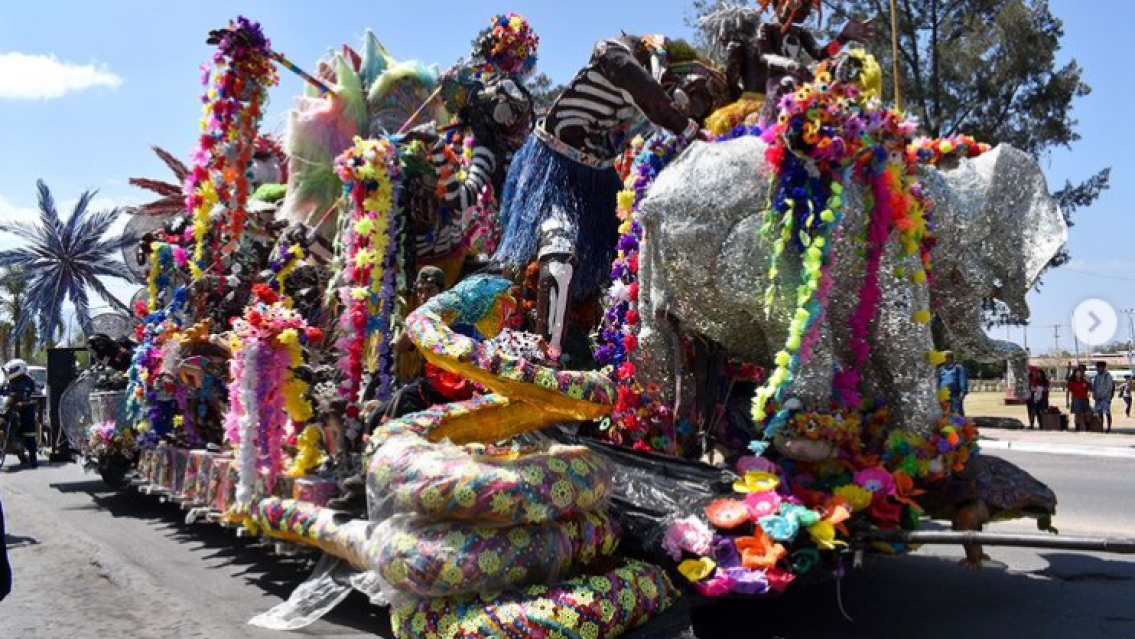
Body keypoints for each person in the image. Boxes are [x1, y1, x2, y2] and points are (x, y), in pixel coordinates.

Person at [491, 34, 702, 354]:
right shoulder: (613, 52)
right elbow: (642, 87)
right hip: (555, 167)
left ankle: (608, 343)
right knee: (559, 249)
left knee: (625, 256)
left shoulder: (643, 108)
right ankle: (546, 352)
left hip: (601, 179)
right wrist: (687, 128)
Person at [1, 359, 38, 468]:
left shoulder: (29, 381)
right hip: (8, 408)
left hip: (24, 408)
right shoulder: (7, 382)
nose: (9, 372)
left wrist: (26, 403)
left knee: (28, 425)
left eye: (11, 370)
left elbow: (36, 396)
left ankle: (33, 456)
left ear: (19, 369)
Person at [938, 351, 968, 416]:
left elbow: (963, 379)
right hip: (944, 396)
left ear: (950, 358)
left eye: (944, 357)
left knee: (957, 415)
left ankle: (960, 422)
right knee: (945, 415)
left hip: (955, 395)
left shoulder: (958, 367)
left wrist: (963, 391)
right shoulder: (941, 369)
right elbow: (939, 382)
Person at [1092, 360, 1116, 433]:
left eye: (1098, 367)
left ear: (1103, 367)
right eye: (1097, 367)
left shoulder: (1107, 376)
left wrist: (1102, 396)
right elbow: (1094, 387)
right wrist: (1094, 395)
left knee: (1107, 413)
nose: (1097, 369)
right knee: (1099, 413)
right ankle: (1101, 427)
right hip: (1098, 399)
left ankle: (1108, 427)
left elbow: (1109, 388)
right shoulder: (1096, 376)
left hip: (1106, 398)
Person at [1066, 366, 1091, 432]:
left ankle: (1087, 428)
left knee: (1087, 413)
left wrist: (1089, 391)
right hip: (1076, 399)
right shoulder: (1072, 382)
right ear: (1075, 373)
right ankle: (1077, 428)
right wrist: (1067, 402)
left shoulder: (1085, 380)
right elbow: (1068, 392)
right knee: (1077, 414)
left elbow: (1090, 388)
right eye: (1077, 372)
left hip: (1085, 399)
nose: (1078, 374)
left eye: (1079, 372)